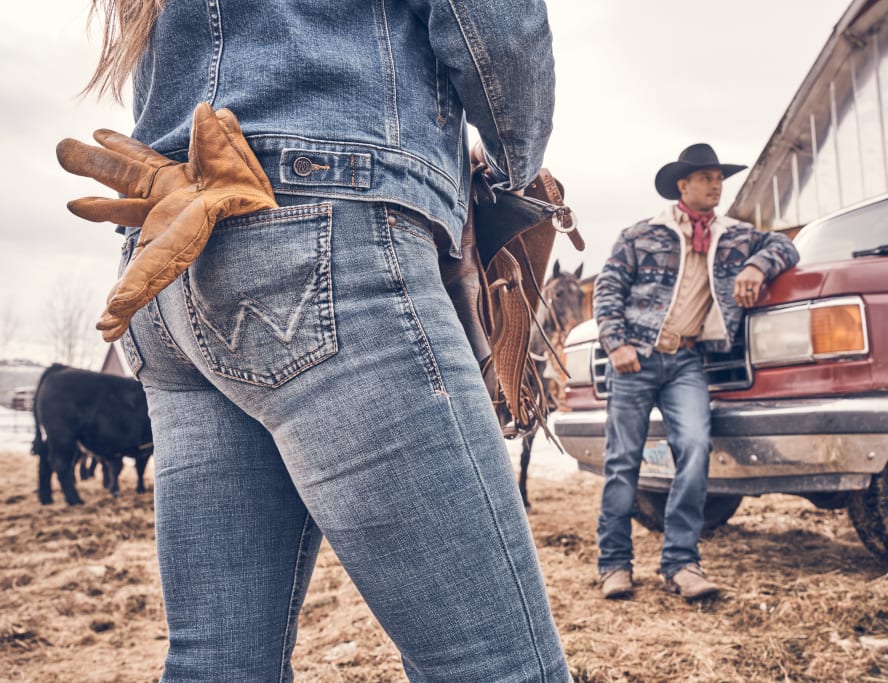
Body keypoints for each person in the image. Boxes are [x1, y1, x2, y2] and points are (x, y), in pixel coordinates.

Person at [69, 1, 571, 681]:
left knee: (219, 661)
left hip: (166, 254)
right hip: (323, 232)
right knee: (499, 667)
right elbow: (496, 26)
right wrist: (514, 163)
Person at [593, 143, 799, 601]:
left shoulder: (734, 235)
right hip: (636, 358)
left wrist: (755, 265)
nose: (716, 184)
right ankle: (613, 566)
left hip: (688, 360)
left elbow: (785, 245)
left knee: (695, 449)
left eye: (719, 177)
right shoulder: (641, 235)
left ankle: (682, 563)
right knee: (623, 461)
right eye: (706, 177)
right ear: (683, 185)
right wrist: (617, 343)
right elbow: (606, 290)